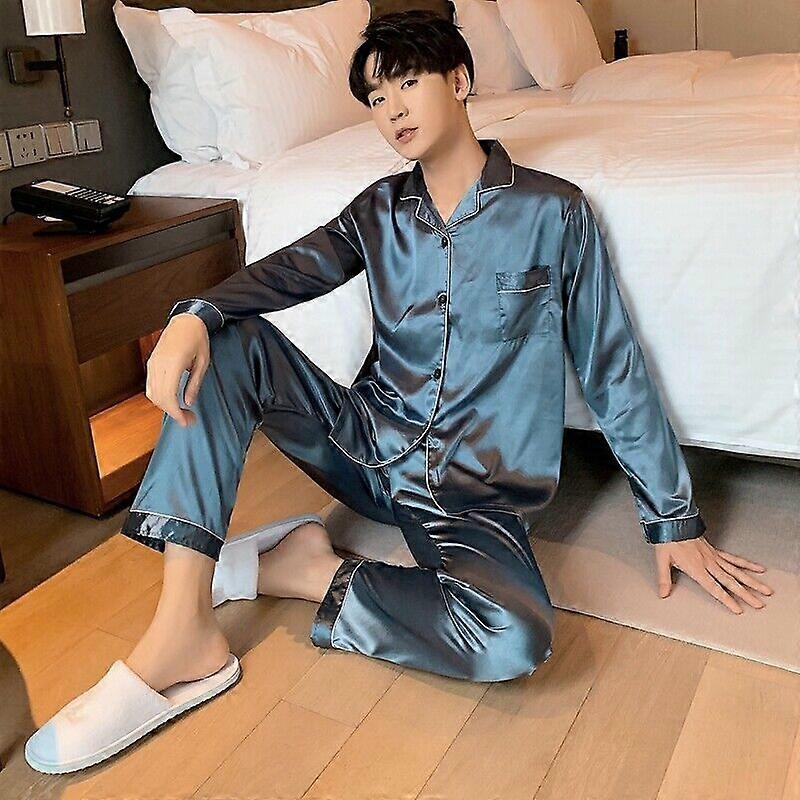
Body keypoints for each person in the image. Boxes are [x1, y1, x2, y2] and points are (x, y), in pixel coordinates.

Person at [27, 9, 773, 772]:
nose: (392, 111)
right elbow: (286, 273)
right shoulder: (377, 210)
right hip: (366, 448)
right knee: (225, 340)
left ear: (460, 78)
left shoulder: (554, 211)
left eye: (408, 83)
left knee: (514, 635)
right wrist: (194, 314)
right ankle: (182, 632)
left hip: (475, 494)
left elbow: (612, 366)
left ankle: (307, 569)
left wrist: (672, 518)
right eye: (377, 98)